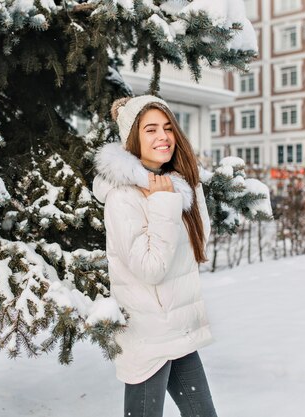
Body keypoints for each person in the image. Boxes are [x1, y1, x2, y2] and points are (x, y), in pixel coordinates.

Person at [92, 95, 217, 417]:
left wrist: (183, 187)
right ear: (132, 140)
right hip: (149, 335)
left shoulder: (170, 185)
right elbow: (151, 269)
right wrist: (164, 202)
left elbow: (198, 248)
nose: (163, 137)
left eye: (167, 128)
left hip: (175, 328)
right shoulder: (123, 197)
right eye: (150, 130)